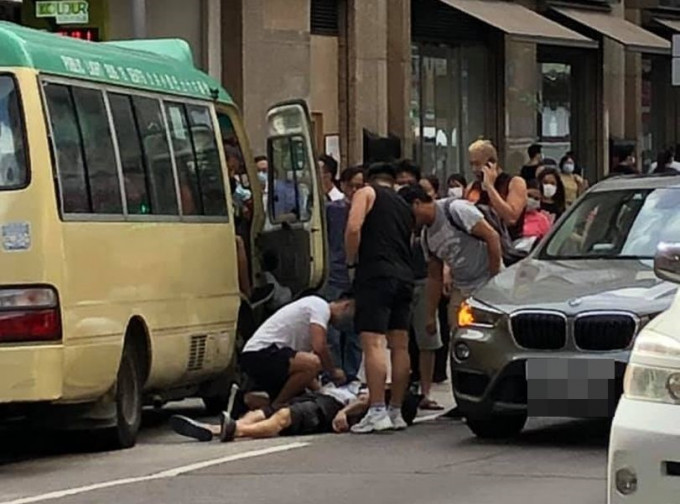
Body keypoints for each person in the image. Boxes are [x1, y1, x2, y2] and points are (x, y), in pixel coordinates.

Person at [345, 162, 415, 433]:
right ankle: (396, 410)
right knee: (400, 345)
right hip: (404, 276)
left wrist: (352, 262)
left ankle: (376, 409)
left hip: (376, 273)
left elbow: (353, 228)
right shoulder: (403, 205)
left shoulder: (366, 194)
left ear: (369, 180)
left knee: (373, 342)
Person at [399, 184, 501, 365]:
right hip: (461, 287)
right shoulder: (426, 237)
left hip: (486, 280)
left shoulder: (455, 209)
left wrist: (494, 280)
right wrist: (430, 315)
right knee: (461, 338)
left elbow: (492, 237)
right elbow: (434, 276)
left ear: (416, 204)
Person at [240, 295, 353, 409]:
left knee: (302, 396)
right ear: (345, 306)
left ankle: (248, 402)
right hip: (262, 353)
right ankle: (278, 405)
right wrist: (333, 372)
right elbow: (319, 348)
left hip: (270, 358)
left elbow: (305, 371)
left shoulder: (316, 322)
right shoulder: (320, 307)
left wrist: (323, 391)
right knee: (313, 362)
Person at [320, 166, 365, 380]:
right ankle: (334, 374)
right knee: (333, 331)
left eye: (360, 186)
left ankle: (352, 374)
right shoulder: (332, 210)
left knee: (355, 331)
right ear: (344, 185)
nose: (355, 190)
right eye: (352, 185)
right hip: (335, 275)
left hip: (359, 277)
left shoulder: (369, 211)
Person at [467, 139, 527, 240]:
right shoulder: (472, 187)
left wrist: (490, 187)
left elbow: (511, 218)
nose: (474, 169)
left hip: (509, 243)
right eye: (471, 164)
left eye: (477, 164)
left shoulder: (515, 183)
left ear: (491, 164)